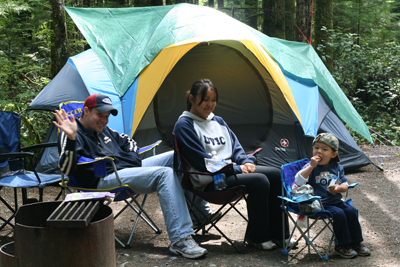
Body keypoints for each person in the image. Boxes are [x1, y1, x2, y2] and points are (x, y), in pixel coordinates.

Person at [53, 93, 207, 259]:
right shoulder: (72, 131)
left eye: (106, 116)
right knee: (165, 174)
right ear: (86, 111)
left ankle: (199, 215)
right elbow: (66, 170)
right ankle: (180, 239)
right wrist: (71, 139)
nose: (103, 121)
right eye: (99, 115)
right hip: (101, 179)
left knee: (177, 155)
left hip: (125, 170)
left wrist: (131, 159)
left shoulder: (106, 131)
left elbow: (129, 142)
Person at [173, 78, 289, 250]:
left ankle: (280, 236)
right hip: (209, 181)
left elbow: (236, 148)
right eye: (205, 100)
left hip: (231, 173)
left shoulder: (218, 121)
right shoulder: (184, 125)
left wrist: (246, 162)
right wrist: (236, 168)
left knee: (277, 174)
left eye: (213, 100)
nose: (210, 105)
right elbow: (202, 162)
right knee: (260, 181)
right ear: (192, 99)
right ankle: (257, 237)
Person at [295, 132, 371, 259]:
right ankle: (342, 245)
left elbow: (345, 184)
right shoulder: (310, 166)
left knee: (352, 211)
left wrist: (339, 188)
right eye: (316, 148)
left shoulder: (337, 167)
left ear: (334, 154)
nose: (319, 151)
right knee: (339, 214)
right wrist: (311, 167)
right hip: (319, 204)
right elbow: (298, 180)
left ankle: (356, 242)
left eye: (324, 149)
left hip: (335, 200)